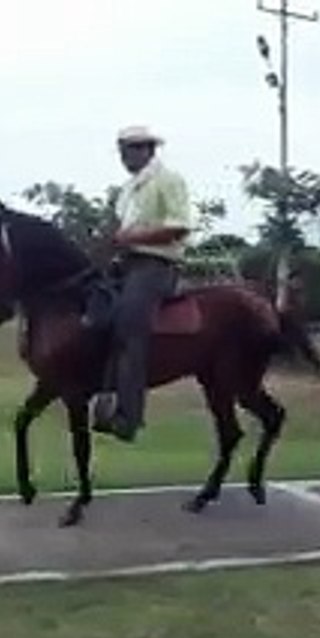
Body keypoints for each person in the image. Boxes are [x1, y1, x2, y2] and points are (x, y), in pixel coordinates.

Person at [91, 125, 192, 442]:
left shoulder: (168, 180)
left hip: (156, 265)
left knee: (129, 324)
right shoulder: (127, 189)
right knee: (94, 311)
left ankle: (129, 416)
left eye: (131, 150)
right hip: (127, 264)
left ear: (148, 150)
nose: (125, 157)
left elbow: (179, 226)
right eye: (123, 152)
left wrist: (131, 237)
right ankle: (101, 395)